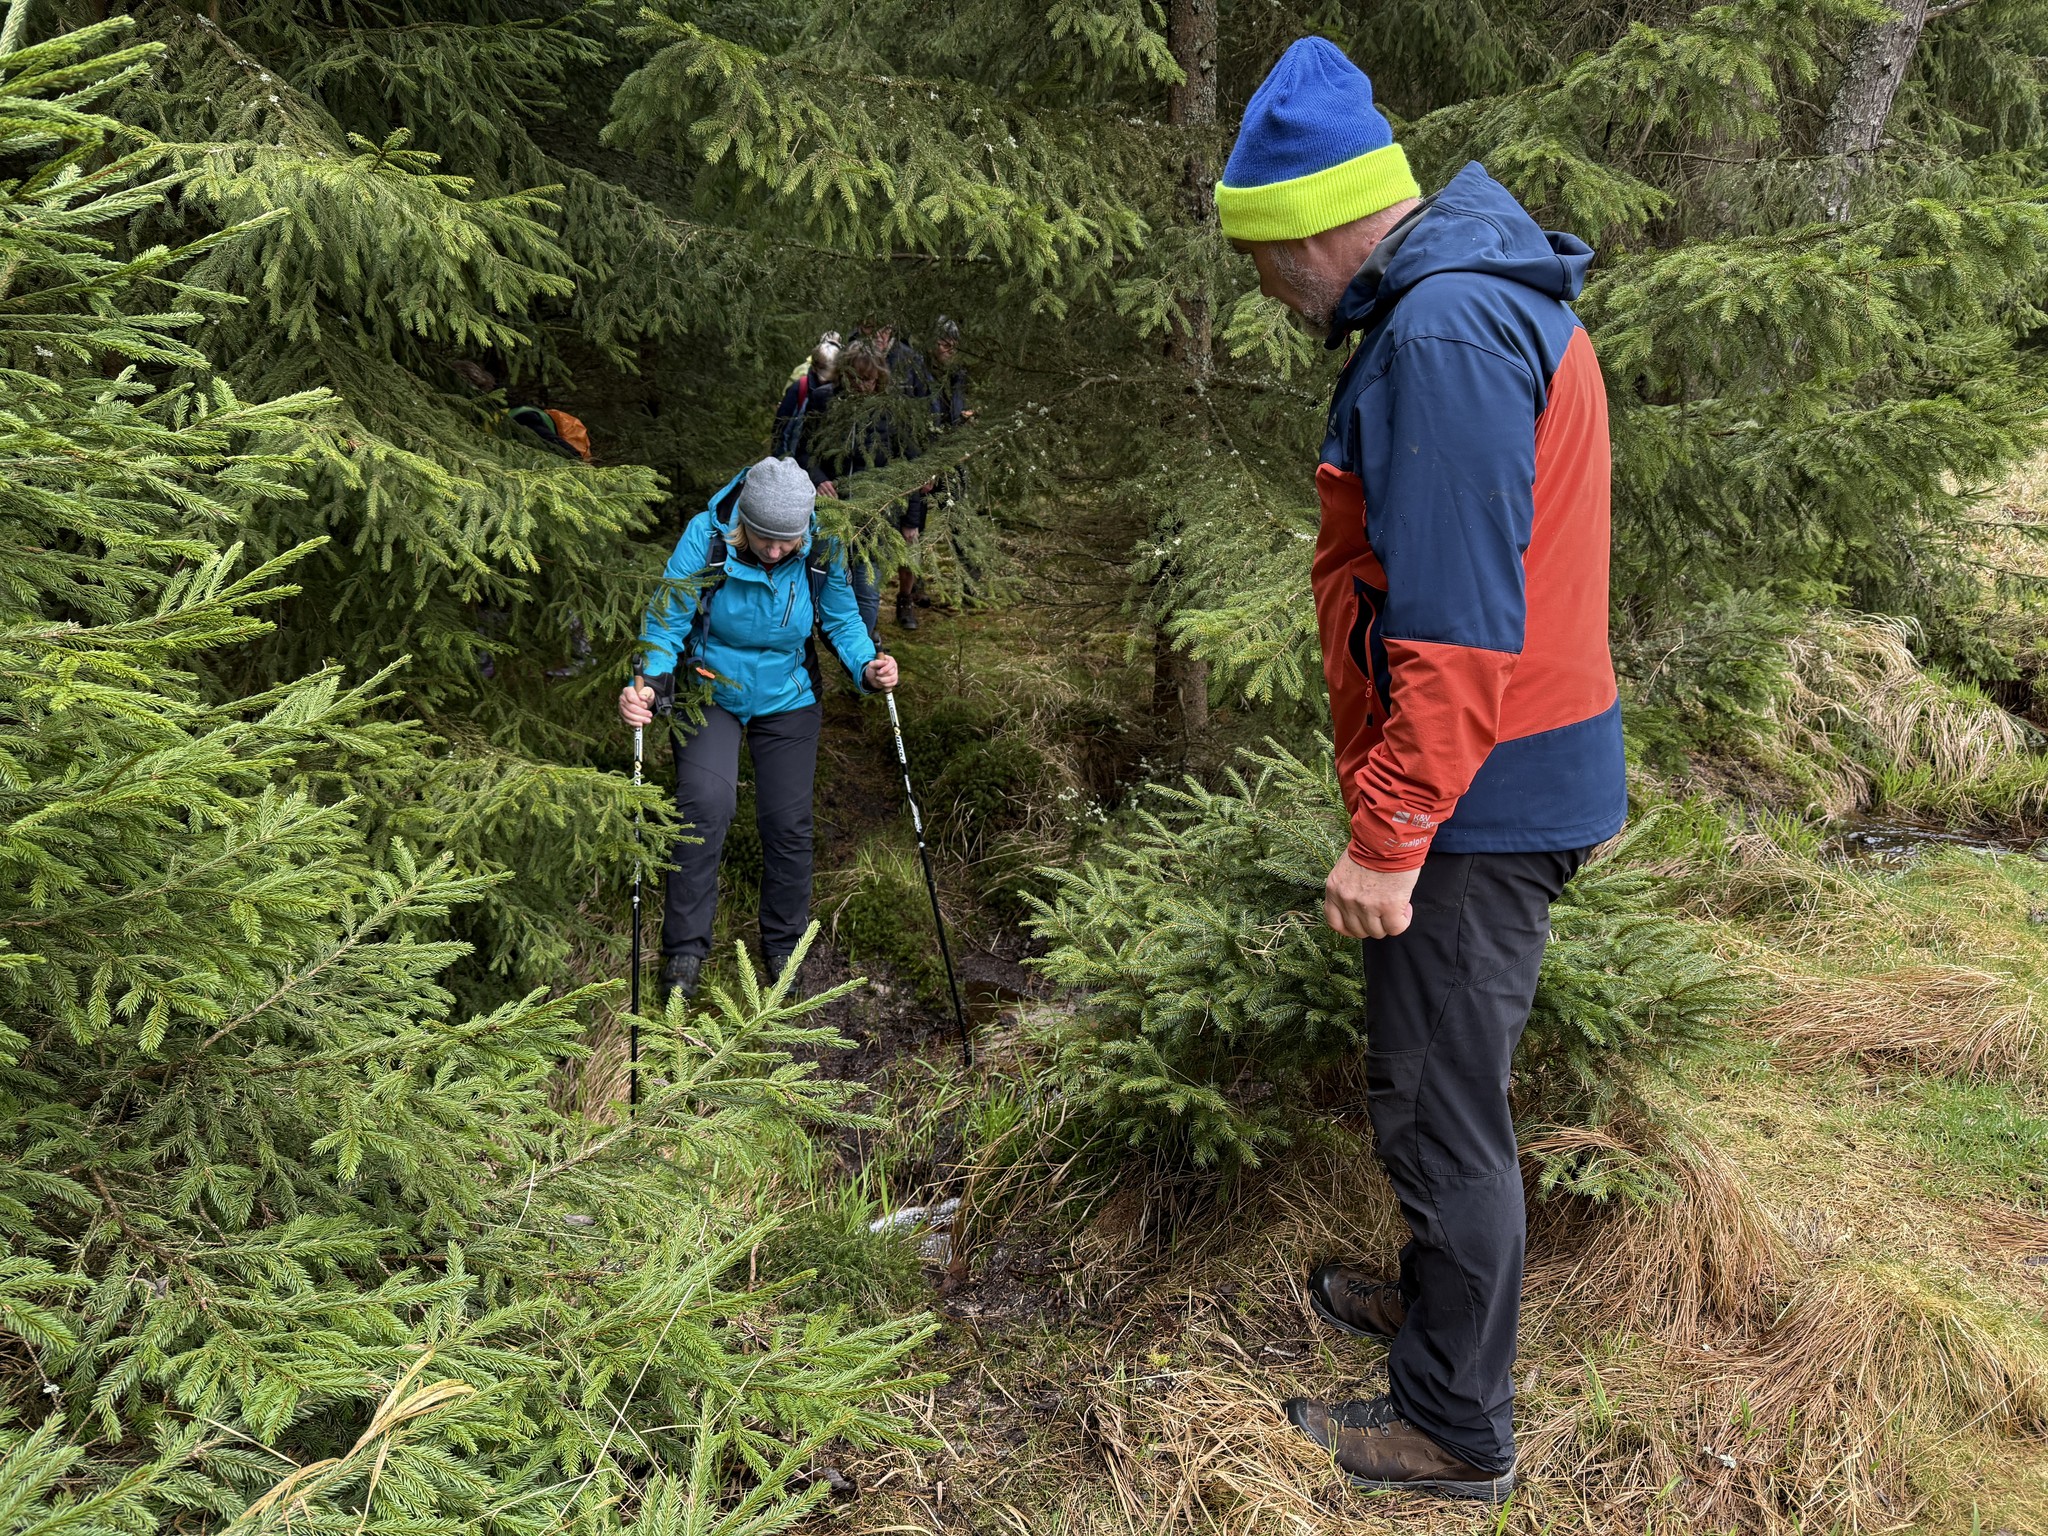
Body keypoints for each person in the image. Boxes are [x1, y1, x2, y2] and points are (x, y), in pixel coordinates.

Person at [1215, 38, 1627, 1504]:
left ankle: (1452, 1427)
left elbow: (1457, 624)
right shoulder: (1466, 301)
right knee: (1448, 1082)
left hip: (1479, 791)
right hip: (1509, 773)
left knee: (1439, 1108)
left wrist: (1390, 829)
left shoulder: (1442, 336)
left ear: (1318, 228)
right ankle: (1440, 1310)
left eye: (1265, 257)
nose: (1268, 292)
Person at [619, 457, 900, 1000]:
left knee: (789, 821)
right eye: (765, 538)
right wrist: (650, 681)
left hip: (788, 695)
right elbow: (668, 616)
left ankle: (784, 943)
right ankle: (683, 951)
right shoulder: (708, 538)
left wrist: (869, 665)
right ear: (744, 520)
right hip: (710, 690)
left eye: (786, 540)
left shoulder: (821, 546)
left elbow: (841, 618)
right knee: (704, 805)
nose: (775, 551)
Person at [829, 337, 935, 633]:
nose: (863, 386)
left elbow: (910, 469)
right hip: (833, 514)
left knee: (867, 586)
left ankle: (864, 646)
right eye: (857, 379)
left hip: (878, 518)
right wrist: (819, 479)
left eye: (870, 380)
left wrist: (911, 520)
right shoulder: (828, 405)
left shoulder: (893, 413)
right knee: (834, 584)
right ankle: (841, 639)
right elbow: (804, 453)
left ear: (880, 378)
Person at [774, 334, 839, 483]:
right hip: (793, 464)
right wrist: (782, 463)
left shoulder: (839, 392)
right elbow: (781, 429)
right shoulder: (800, 388)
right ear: (815, 367)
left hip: (823, 472)